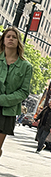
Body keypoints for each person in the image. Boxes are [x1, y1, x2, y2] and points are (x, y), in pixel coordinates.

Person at [0, 26, 33, 159]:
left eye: (14, 37)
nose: (11, 39)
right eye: (8, 36)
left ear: (18, 41)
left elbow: (24, 92)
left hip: (8, 111)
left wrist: (3, 100)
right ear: (3, 40)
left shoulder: (26, 66)